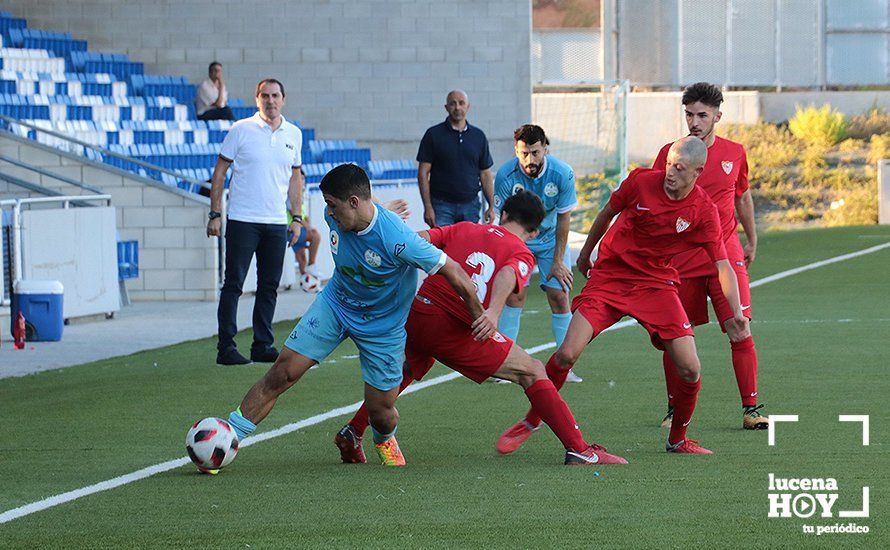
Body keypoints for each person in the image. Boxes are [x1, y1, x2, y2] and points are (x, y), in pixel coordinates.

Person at [225, 164, 495, 467]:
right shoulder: (337, 216)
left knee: (381, 411)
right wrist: (380, 207)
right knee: (282, 372)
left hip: (383, 327)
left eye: (333, 205)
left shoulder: (398, 238)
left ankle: (382, 438)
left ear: (353, 203)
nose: (329, 212)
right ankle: (226, 438)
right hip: (336, 306)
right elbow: (366, 210)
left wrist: (478, 316)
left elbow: (455, 272)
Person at [496, 137, 750, 456]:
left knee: (690, 368)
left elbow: (722, 264)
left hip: (656, 285)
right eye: (669, 164)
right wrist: (585, 255)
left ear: (698, 171)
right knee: (566, 354)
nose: (669, 172)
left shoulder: (702, 209)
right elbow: (605, 214)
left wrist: (736, 310)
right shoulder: (641, 182)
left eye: (679, 168)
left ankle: (678, 439)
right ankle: (531, 422)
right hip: (612, 276)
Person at [334, 190, 627, 466]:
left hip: (418, 311)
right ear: (535, 232)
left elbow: (415, 240)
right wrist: (494, 311)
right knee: (533, 370)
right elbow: (507, 273)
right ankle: (580, 449)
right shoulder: (522, 251)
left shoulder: (464, 228)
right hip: (452, 324)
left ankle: (354, 430)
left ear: (502, 214)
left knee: (412, 365)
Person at [652, 83, 768, 431]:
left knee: (739, 325)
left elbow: (742, 197)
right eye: (689, 114)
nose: (695, 121)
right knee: (676, 335)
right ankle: (674, 409)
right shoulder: (668, 154)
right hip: (682, 258)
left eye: (702, 115)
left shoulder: (735, 152)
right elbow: (657, 202)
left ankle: (751, 408)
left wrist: (751, 238)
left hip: (725, 255)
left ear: (718, 115)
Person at [207, 78, 304, 365]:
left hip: (275, 221)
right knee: (233, 284)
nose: (270, 101)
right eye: (265, 96)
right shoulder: (240, 130)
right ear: (257, 98)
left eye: (275, 96)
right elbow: (219, 172)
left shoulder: (294, 134)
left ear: (283, 99)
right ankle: (226, 347)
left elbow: (295, 178)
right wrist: (215, 213)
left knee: (269, 285)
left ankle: (262, 345)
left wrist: (296, 217)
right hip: (242, 218)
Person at [493, 124, 582, 383]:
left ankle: (564, 369)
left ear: (545, 148)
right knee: (514, 297)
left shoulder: (562, 173)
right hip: (518, 241)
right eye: (523, 154)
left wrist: (557, 261)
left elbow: (564, 220)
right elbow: (502, 222)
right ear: (516, 151)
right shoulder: (505, 176)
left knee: (559, 296)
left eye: (534, 152)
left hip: (551, 240)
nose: (529, 160)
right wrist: (505, 257)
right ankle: (504, 365)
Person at [417, 90, 495, 227]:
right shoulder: (433, 135)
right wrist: (428, 207)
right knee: (442, 248)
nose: (457, 107)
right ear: (446, 107)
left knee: (469, 247)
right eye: (453, 104)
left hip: (471, 206)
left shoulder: (478, 136)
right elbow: (423, 173)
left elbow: (485, 174)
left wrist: (492, 206)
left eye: (461, 103)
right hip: (441, 207)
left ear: (468, 106)